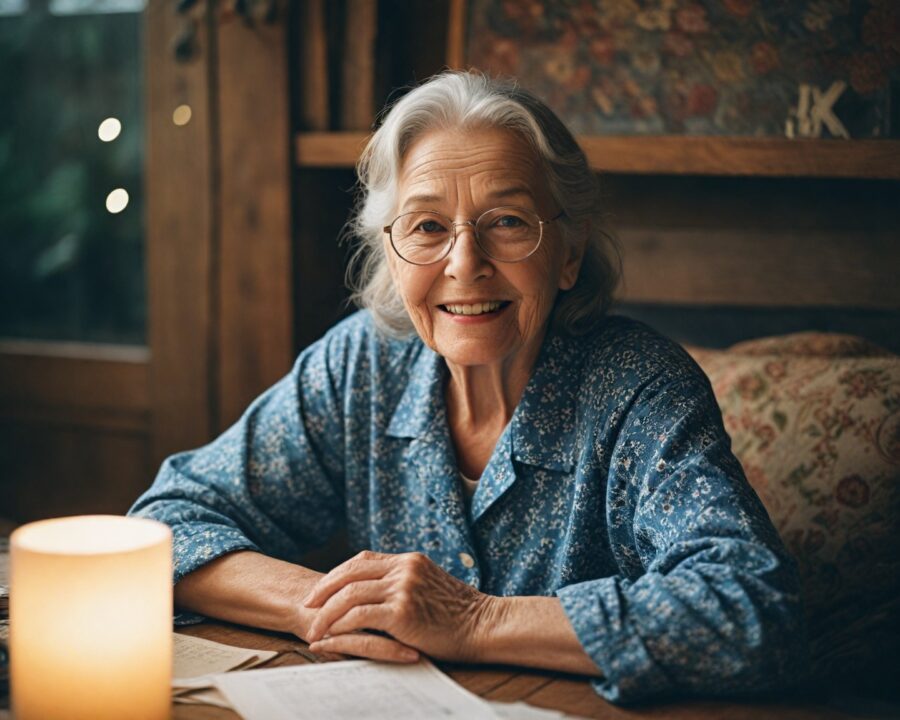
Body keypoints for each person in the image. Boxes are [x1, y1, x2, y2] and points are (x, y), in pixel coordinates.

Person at [130, 71, 805, 704]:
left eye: (507, 222)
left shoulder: (637, 386)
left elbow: (751, 609)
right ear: (392, 253)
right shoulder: (361, 365)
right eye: (426, 226)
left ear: (568, 252)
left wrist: (474, 621)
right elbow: (164, 526)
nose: (464, 263)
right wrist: (333, 602)